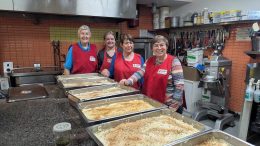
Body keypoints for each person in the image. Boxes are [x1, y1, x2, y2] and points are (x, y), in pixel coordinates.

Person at [120, 35, 184, 114]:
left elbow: (179, 86)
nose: (159, 48)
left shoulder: (174, 62)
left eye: (161, 45)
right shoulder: (149, 60)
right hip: (153, 104)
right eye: (156, 45)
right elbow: (139, 73)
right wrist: (128, 81)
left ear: (166, 47)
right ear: (152, 48)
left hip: (170, 106)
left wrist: (172, 108)